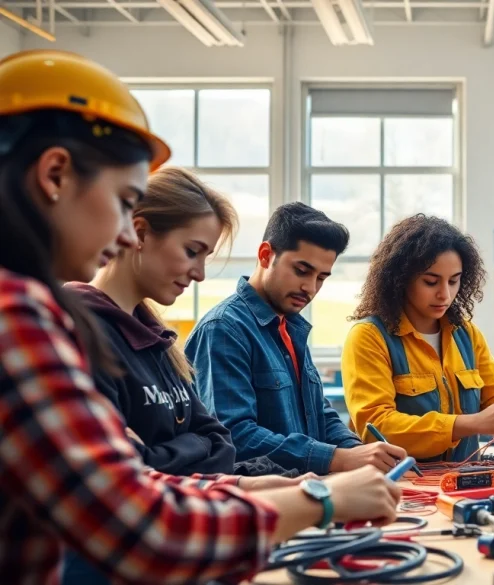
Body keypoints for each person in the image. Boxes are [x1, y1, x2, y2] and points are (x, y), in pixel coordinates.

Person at [0, 50, 400, 585]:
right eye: (122, 202)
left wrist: (255, 489)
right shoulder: (17, 318)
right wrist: (317, 497)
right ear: (54, 175)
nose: (125, 234)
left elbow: (165, 474)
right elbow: (143, 528)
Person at [61, 169, 309, 584]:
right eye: (192, 251)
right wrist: (188, 448)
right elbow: (131, 480)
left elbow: (221, 444)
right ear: (140, 232)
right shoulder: (76, 333)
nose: (199, 274)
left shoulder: (159, 342)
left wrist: (168, 454)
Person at [186, 202, 406, 475]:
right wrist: (336, 459)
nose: (310, 288)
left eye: (322, 277)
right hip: (262, 505)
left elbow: (320, 414)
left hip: (307, 493)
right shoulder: (223, 329)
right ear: (266, 255)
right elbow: (235, 435)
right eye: (302, 271)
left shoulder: (290, 326)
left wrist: (359, 452)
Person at [343, 215, 494, 461]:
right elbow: (376, 427)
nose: (444, 294)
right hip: (400, 484)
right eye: (430, 281)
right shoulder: (369, 337)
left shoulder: (466, 334)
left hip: (462, 480)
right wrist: (468, 424)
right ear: (400, 280)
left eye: (454, 281)